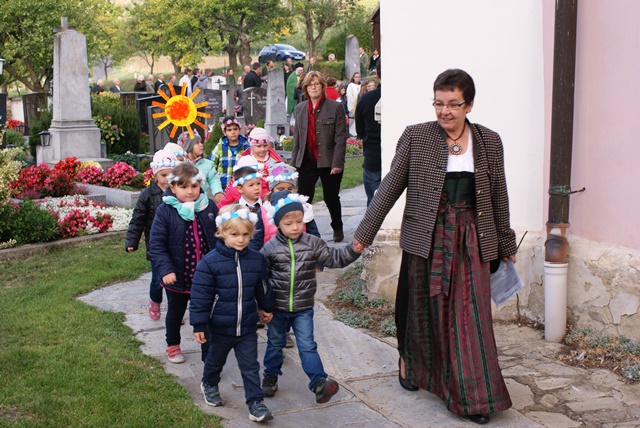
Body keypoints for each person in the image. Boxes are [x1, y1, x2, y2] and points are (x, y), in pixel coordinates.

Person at [352, 69, 517, 425]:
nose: (444, 111)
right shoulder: (417, 136)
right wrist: (364, 234)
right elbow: (389, 188)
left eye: (453, 104)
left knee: (469, 316)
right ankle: (410, 364)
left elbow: (498, 195)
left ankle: (473, 397)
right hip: (426, 235)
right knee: (419, 311)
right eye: (439, 103)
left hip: (470, 238)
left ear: (469, 105)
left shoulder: (489, 141)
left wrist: (505, 242)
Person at [260, 191, 362, 404]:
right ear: (278, 224)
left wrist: (353, 250)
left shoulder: (313, 243)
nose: (295, 227)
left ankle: (319, 383)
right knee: (275, 343)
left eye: (299, 221)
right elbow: (261, 280)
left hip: (303, 307)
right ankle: (270, 375)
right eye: (289, 223)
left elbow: (334, 258)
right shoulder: (269, 249)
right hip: (277, 307)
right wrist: (262, 306)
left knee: (307, 345)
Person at [190, 204, 275, 422]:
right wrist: (199, 324)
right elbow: (200, 296)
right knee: (214, 361)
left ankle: (256, 403)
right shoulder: (209, 263)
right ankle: (209, 383)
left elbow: (262, 287)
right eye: (234, 234)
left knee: (250, 366)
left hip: (247, 326)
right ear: (221, 232)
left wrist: (265, 307)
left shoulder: (256, 259)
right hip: (219, 327)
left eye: (245, 234)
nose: (241, 239)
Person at [148, 162, 219, 363]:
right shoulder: (165, 211)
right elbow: (157, 244)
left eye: (194, 186)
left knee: (205, 313)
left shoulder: (208, 207)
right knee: (175, 312)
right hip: (178, 275)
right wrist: (166, 270)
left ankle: (208, 353)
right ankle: (173, 345)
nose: (190, 191)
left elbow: (219, 237)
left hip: (204, 276)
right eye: (184, 186)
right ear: (172, 188)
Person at [291, 71, 347, 242]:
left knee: (331, 197)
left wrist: (337, 162)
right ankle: (303, 230)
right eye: (310, 84)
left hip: (328, 160)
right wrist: (294, 163)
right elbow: (297, 138)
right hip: (307, 160)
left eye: (316, 84)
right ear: (305, 88)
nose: (313, 87)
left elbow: (340, 137)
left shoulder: (335, 107)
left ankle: (337, 227)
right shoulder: (301, 108)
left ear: (322, 87)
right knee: (303, 198)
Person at [126, 149, 180, 320]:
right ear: (155, 175)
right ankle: (155, 301)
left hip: (177, 243)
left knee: (175, 280)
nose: (168, 179)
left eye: (171, 175)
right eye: (163, 175)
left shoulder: (179, 192)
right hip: (156, 245)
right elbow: (138, 220)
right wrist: (132, 241)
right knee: (158, 280)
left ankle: (175, 310)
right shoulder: (147, 195)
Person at [355, 62, 382, 206]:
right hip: (398, 157)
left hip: (373, 155)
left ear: (377, 74)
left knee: (374, 205)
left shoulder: (366, 99)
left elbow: (360, 131)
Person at [179, 131, 224, 203]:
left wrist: (217, 192)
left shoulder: (208, 164)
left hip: (203, 202)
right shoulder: (181, 165)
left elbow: (213, 180)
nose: (201, 145)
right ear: (189, 147)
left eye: (201, 142)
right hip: (184, 202)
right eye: (197, 143)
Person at [209, 117, 251, 190]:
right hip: (223, 187)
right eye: (229, 130)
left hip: (241, 187)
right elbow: (211, 165)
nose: (233, 132)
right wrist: (215, 184)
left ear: (239, 130)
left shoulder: (246, 146)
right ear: (224, 132)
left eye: (235, 129)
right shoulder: (220, 147)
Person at [346, 72, 361, 136]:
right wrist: (355, 103)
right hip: (353, 105)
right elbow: (349, 96)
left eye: (359, 77)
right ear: (353, 78)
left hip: (360, 104)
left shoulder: (360, 86)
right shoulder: (351, 85)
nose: (357, 78)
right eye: (356, 77)